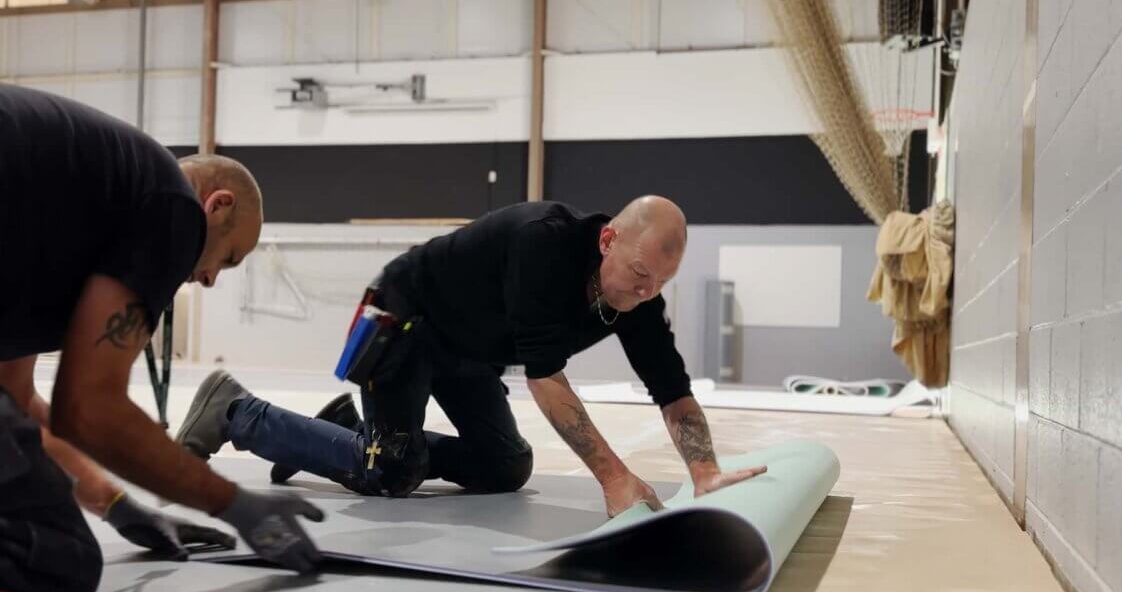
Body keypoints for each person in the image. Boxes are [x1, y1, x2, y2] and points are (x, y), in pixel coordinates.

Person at [176, 196, 766, 517]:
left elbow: (671, 384)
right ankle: (237, 412)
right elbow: (546, 378)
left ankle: (348, 433)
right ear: (609, 238)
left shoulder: (636, 297)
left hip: (467, 348)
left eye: (658, 285)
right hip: (403, 318)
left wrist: (705, 470)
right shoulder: (546, 242)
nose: (644, 292)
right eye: (639, 274)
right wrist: (613, 478)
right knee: (392, 474)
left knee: (505, 468)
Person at [0, 84, 322, 592]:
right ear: (217, 207)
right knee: (52, 561)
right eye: (228, 257)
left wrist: (120, 507)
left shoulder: (54, 222)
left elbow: (19, 402)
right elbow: (88, 408)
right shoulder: (171, 207)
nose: (210, 280)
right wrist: (233, 503)